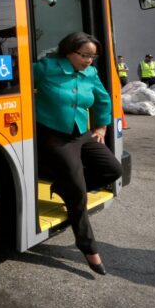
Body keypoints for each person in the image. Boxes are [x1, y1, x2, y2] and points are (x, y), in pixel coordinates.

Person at [33, 32, 122, 275]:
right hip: (54, 135)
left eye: (93, 56)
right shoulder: (45, 68)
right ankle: (88, 247)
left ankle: (65, 188)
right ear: (69, 51)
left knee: (113, 170)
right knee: (77, 192)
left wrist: (102, 126)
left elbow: (103, 99)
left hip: (81, 132)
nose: (89, 61)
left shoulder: (90, 73)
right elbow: (15, 82)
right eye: (85, 55)